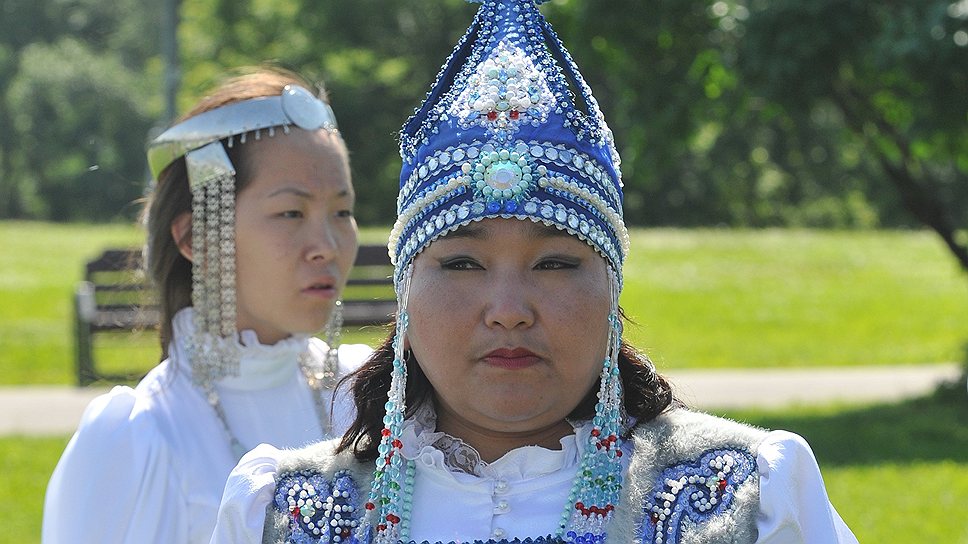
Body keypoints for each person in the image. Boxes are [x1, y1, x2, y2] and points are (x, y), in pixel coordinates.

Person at [210, 2, 858, 543]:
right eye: (461, 262)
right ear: (405, 296)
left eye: (555, 262)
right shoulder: (285, 512)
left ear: (612, 291)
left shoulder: (749, 496)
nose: (509, 308)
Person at [42, 67, 372, 544]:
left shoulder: (365, 394)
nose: (327, 244)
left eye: (342, 211)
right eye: (291, 213)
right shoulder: (139, 440)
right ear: (198, 236)